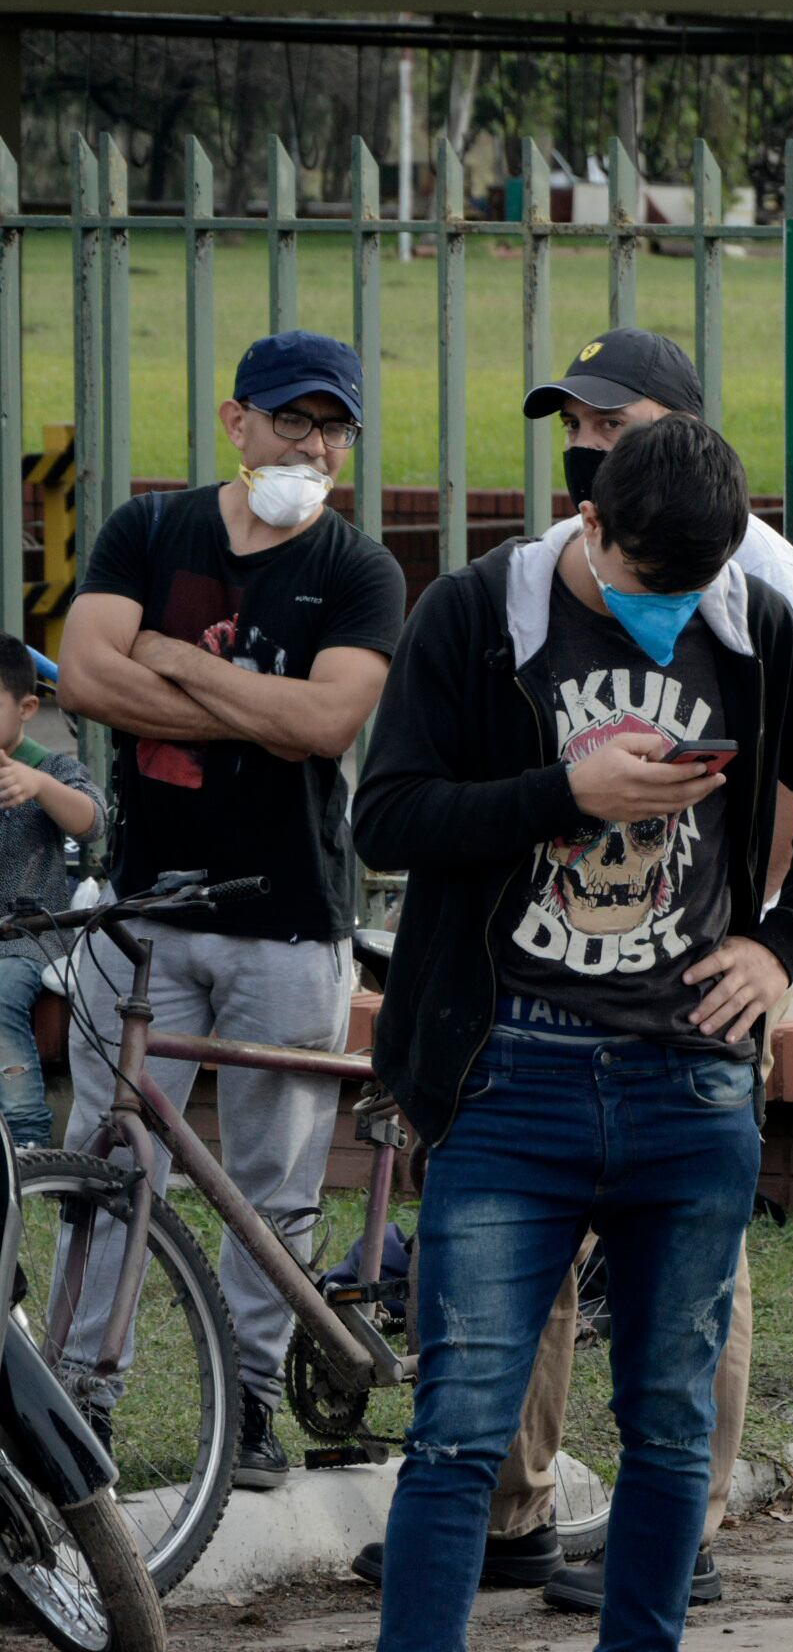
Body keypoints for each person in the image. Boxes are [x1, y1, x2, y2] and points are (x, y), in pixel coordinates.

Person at [349, 325, 793, 1608]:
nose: (669, 612)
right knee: (461, 1429)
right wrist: (558, 789)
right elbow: (388, 817)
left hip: (686, 1082)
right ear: (590, 519)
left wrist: (784, 942)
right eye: (647, 583)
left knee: (671, 1430)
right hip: (507, 1070)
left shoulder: (746, 617)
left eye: (695, 585)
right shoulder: (478, 614)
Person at [54, 329, 405, 1486]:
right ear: (235, 419)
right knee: (105, 1161)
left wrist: (174, 660)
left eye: (335, 428)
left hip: (291, 917)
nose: (314, 446)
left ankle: (251, 1397)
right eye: (294, 421)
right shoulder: (148, 530)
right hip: (142, 911)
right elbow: (89, 676)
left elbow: (321, 726)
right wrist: (258, 698)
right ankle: (77, 1400)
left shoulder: (359, 570)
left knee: (275, 1181)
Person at [0, 634, 103, 1147]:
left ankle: (25, 1134)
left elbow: (93, 822)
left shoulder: (50, 768)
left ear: (27, 708)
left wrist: (39, 787)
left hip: (29, 935)